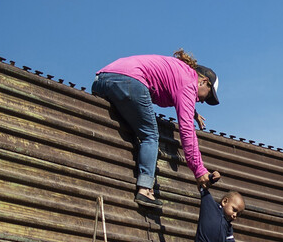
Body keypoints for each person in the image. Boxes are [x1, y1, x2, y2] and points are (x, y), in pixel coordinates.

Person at [91, 49, 220, 211]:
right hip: (130, 81)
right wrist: (199, 170)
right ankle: (145, 189)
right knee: (150, 135)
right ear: (203, 81)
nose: (202, 101)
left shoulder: (181, 72)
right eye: (208, 96)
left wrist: (193, 112)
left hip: (102, 79)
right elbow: (187, 131)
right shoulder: (189, 82)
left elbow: (172, 88)